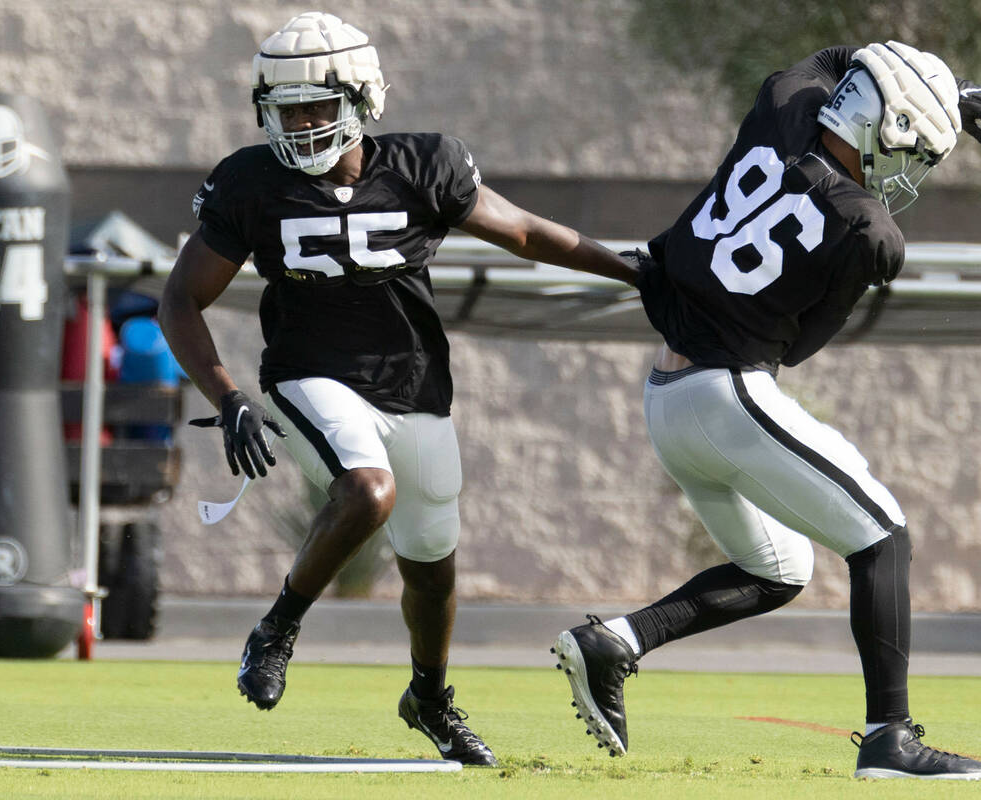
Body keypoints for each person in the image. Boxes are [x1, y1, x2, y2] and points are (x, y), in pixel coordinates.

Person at [159, 11, 637, 766]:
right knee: (367, 492)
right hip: (307, 374)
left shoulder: (424, 165)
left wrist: (633, 270)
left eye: (317, 105)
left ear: (363, 98)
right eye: (287, 109)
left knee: (431, 565)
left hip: (413, 385)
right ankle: (277, 628)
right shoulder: (251, 183)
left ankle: (430, 698)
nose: (302, 123)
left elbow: (524, 232)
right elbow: (180, 299)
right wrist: (228, 397)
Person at [551, 41, 981, 779]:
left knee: (778, 566)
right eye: (916, 149)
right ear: (878, 126)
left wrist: (939, 90)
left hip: (665, 399)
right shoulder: (872, 231)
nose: (914, 169)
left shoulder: (785, 104)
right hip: (727, 391)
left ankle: (616, 641)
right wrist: (950, 91)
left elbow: (844, 54)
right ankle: (889, 739)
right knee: (883, 537)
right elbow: (798, 348)